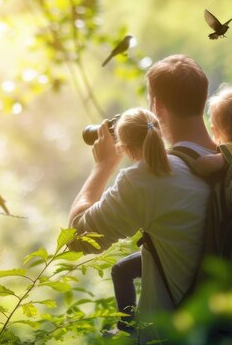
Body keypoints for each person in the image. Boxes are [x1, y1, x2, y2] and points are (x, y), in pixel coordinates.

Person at [67, 54, 217, 342]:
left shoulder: (151, 177)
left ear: (156, 105)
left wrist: (103, 165)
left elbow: (78, 238)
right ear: (203, 98)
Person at [107, 108, 172, 334]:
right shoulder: (182, 163)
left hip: (169, 256)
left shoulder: (136, 178)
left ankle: (128, 327)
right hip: (189, 247)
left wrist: (102, 165)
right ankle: (127, 326)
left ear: (127, 150)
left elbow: (83, 235)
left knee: (120, 271)